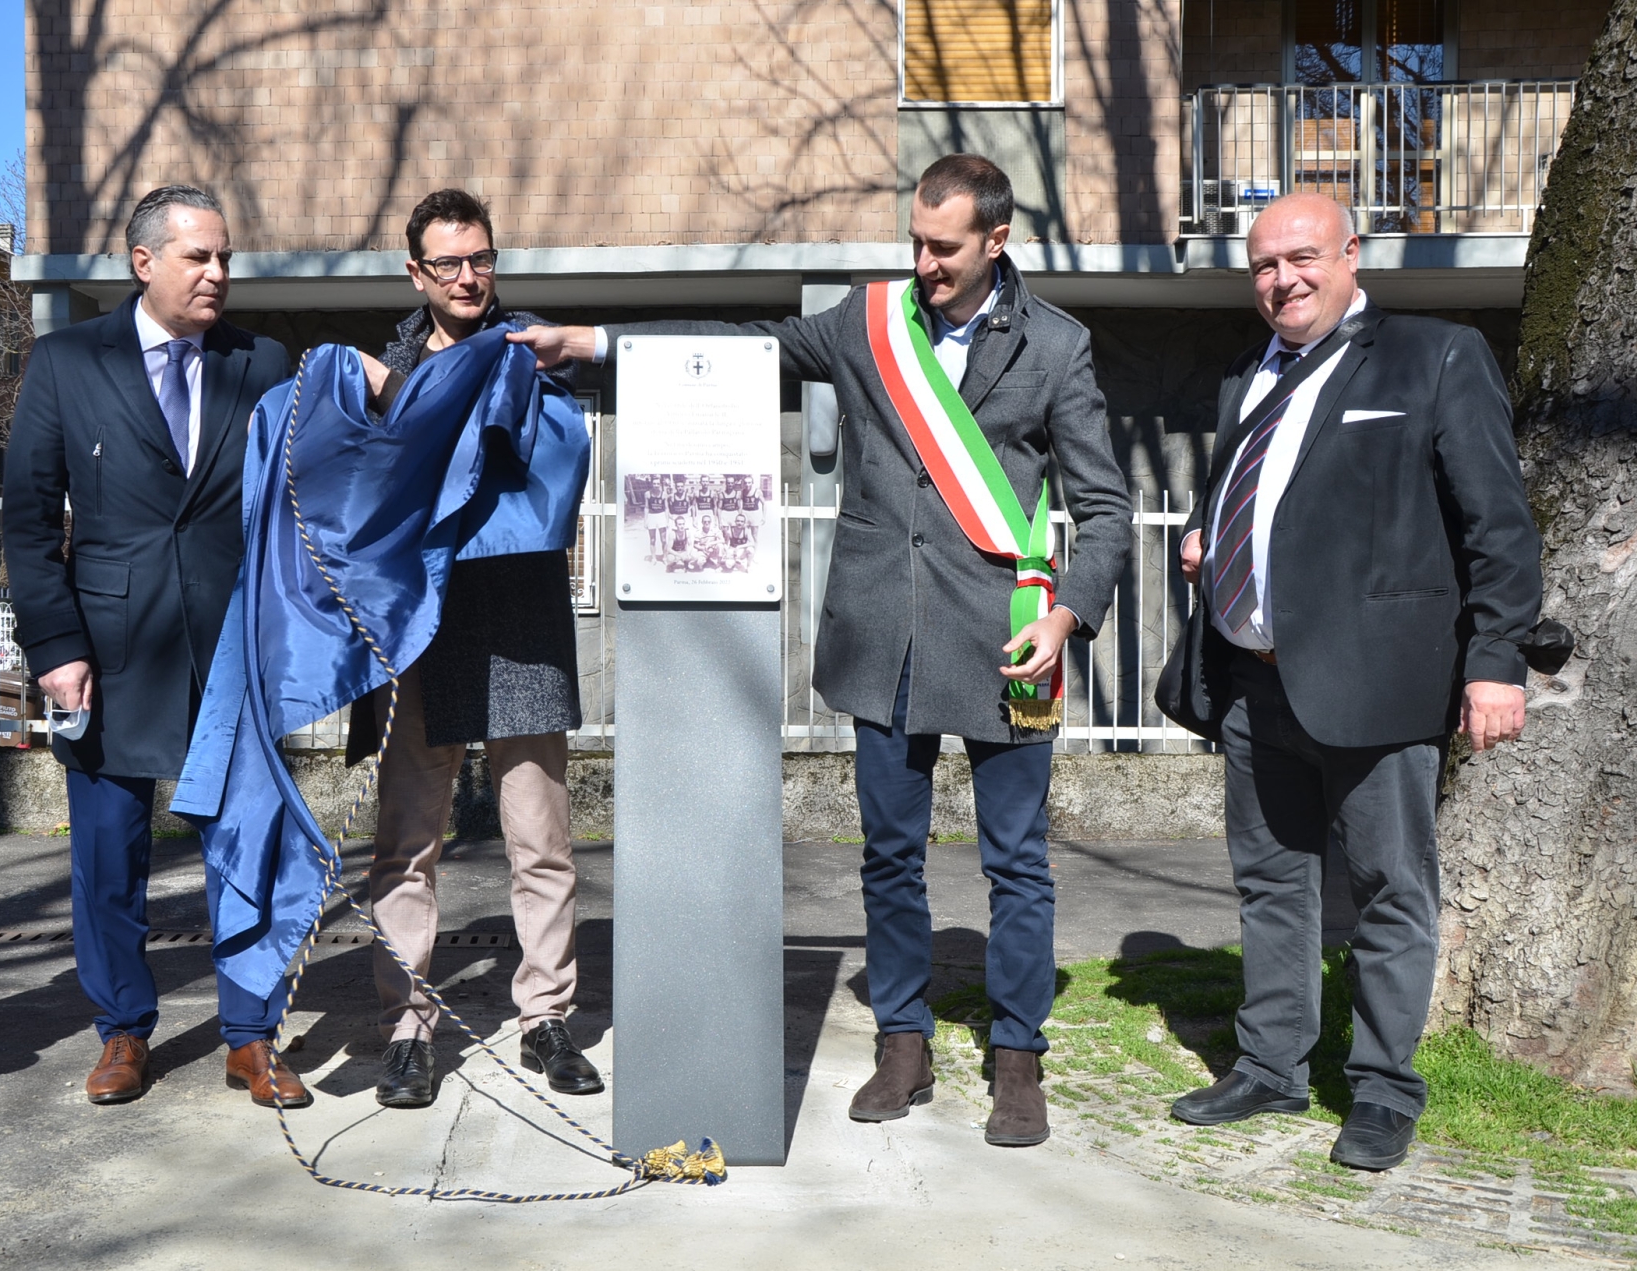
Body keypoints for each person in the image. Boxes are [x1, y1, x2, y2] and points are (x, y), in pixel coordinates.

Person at [513, 154, 1132, 1148]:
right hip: (883, 636)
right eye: (916, 242)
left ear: (996, 240)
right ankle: (903, 1042)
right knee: (888, 857)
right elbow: (748, 347)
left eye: (944, 247)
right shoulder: (867, 321)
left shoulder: (1057, 346)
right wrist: (594, 341)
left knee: (1017, 862)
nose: (923, 263)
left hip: (1009, 636)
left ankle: (1018, 1057)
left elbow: (1105, 509)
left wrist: (1066, 617)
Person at [1163, 192, 1540, 1171]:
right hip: (1255, 682)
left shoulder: (1435, 355)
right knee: (1271, 883)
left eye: (1302, 257)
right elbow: (1256, 501)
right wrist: (1207, 540)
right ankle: (1270, 1064)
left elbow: (1498, 525)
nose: (1282, 279)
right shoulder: (1247, 376)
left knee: (1389, 888)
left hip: (1381, 683)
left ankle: (1381, 1087)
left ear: (1350, 253)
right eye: (1264, 265)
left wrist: (1496, 663)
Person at [1, 186, 302, 1107]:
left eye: (224, 257)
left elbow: (294, 503)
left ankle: (251, 1035)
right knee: (107, 854)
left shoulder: (262, 362)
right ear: (143, 262)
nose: (217, 274)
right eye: (197, 257)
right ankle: (123, 1030)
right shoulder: (67, 361)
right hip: (108, 648)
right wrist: (55, 644)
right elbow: (27, 520)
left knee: (246, 845)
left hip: (233, 647)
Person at [348, 189, 602, 1109]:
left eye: (481, 259)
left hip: (520, 617)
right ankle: (409, 1030)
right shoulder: (387, 366)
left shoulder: (531, 349)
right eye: (448, 263)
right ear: (414, 271)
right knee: (406, 844)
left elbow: (561, 463)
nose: (468, 278)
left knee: (541, 840)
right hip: (420, 627)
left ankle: (546, 1018)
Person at [643, 478, 669, 561]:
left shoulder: (664, 494)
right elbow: (646, 507)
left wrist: (667, 521)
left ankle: (665, 557)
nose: (656, 485)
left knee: (663, 539)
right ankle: (654, 558)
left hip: (661, 516)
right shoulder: (647, 494)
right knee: (652, 539)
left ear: (660, 484)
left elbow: (666, 508)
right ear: (652, 484)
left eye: (658, 483)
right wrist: (645, 521)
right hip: (651, 516)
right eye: (654, 483)